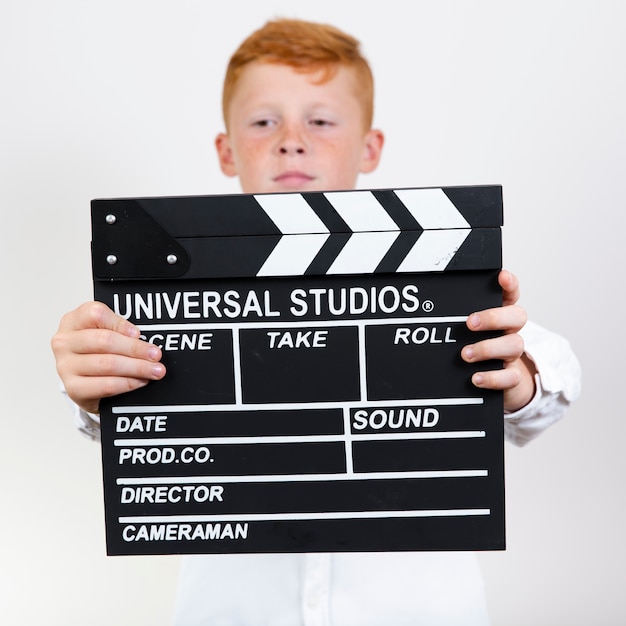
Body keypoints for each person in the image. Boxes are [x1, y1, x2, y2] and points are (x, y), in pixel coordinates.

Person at [51, 18, 581, 625]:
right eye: (263, 120)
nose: (291, 140)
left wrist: (521, 377)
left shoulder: (441, 279)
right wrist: (95, 384)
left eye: (321, 120)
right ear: (226, 150)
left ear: (370, 146)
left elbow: (553, 378)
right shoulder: (167, 295)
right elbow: (132, 426)